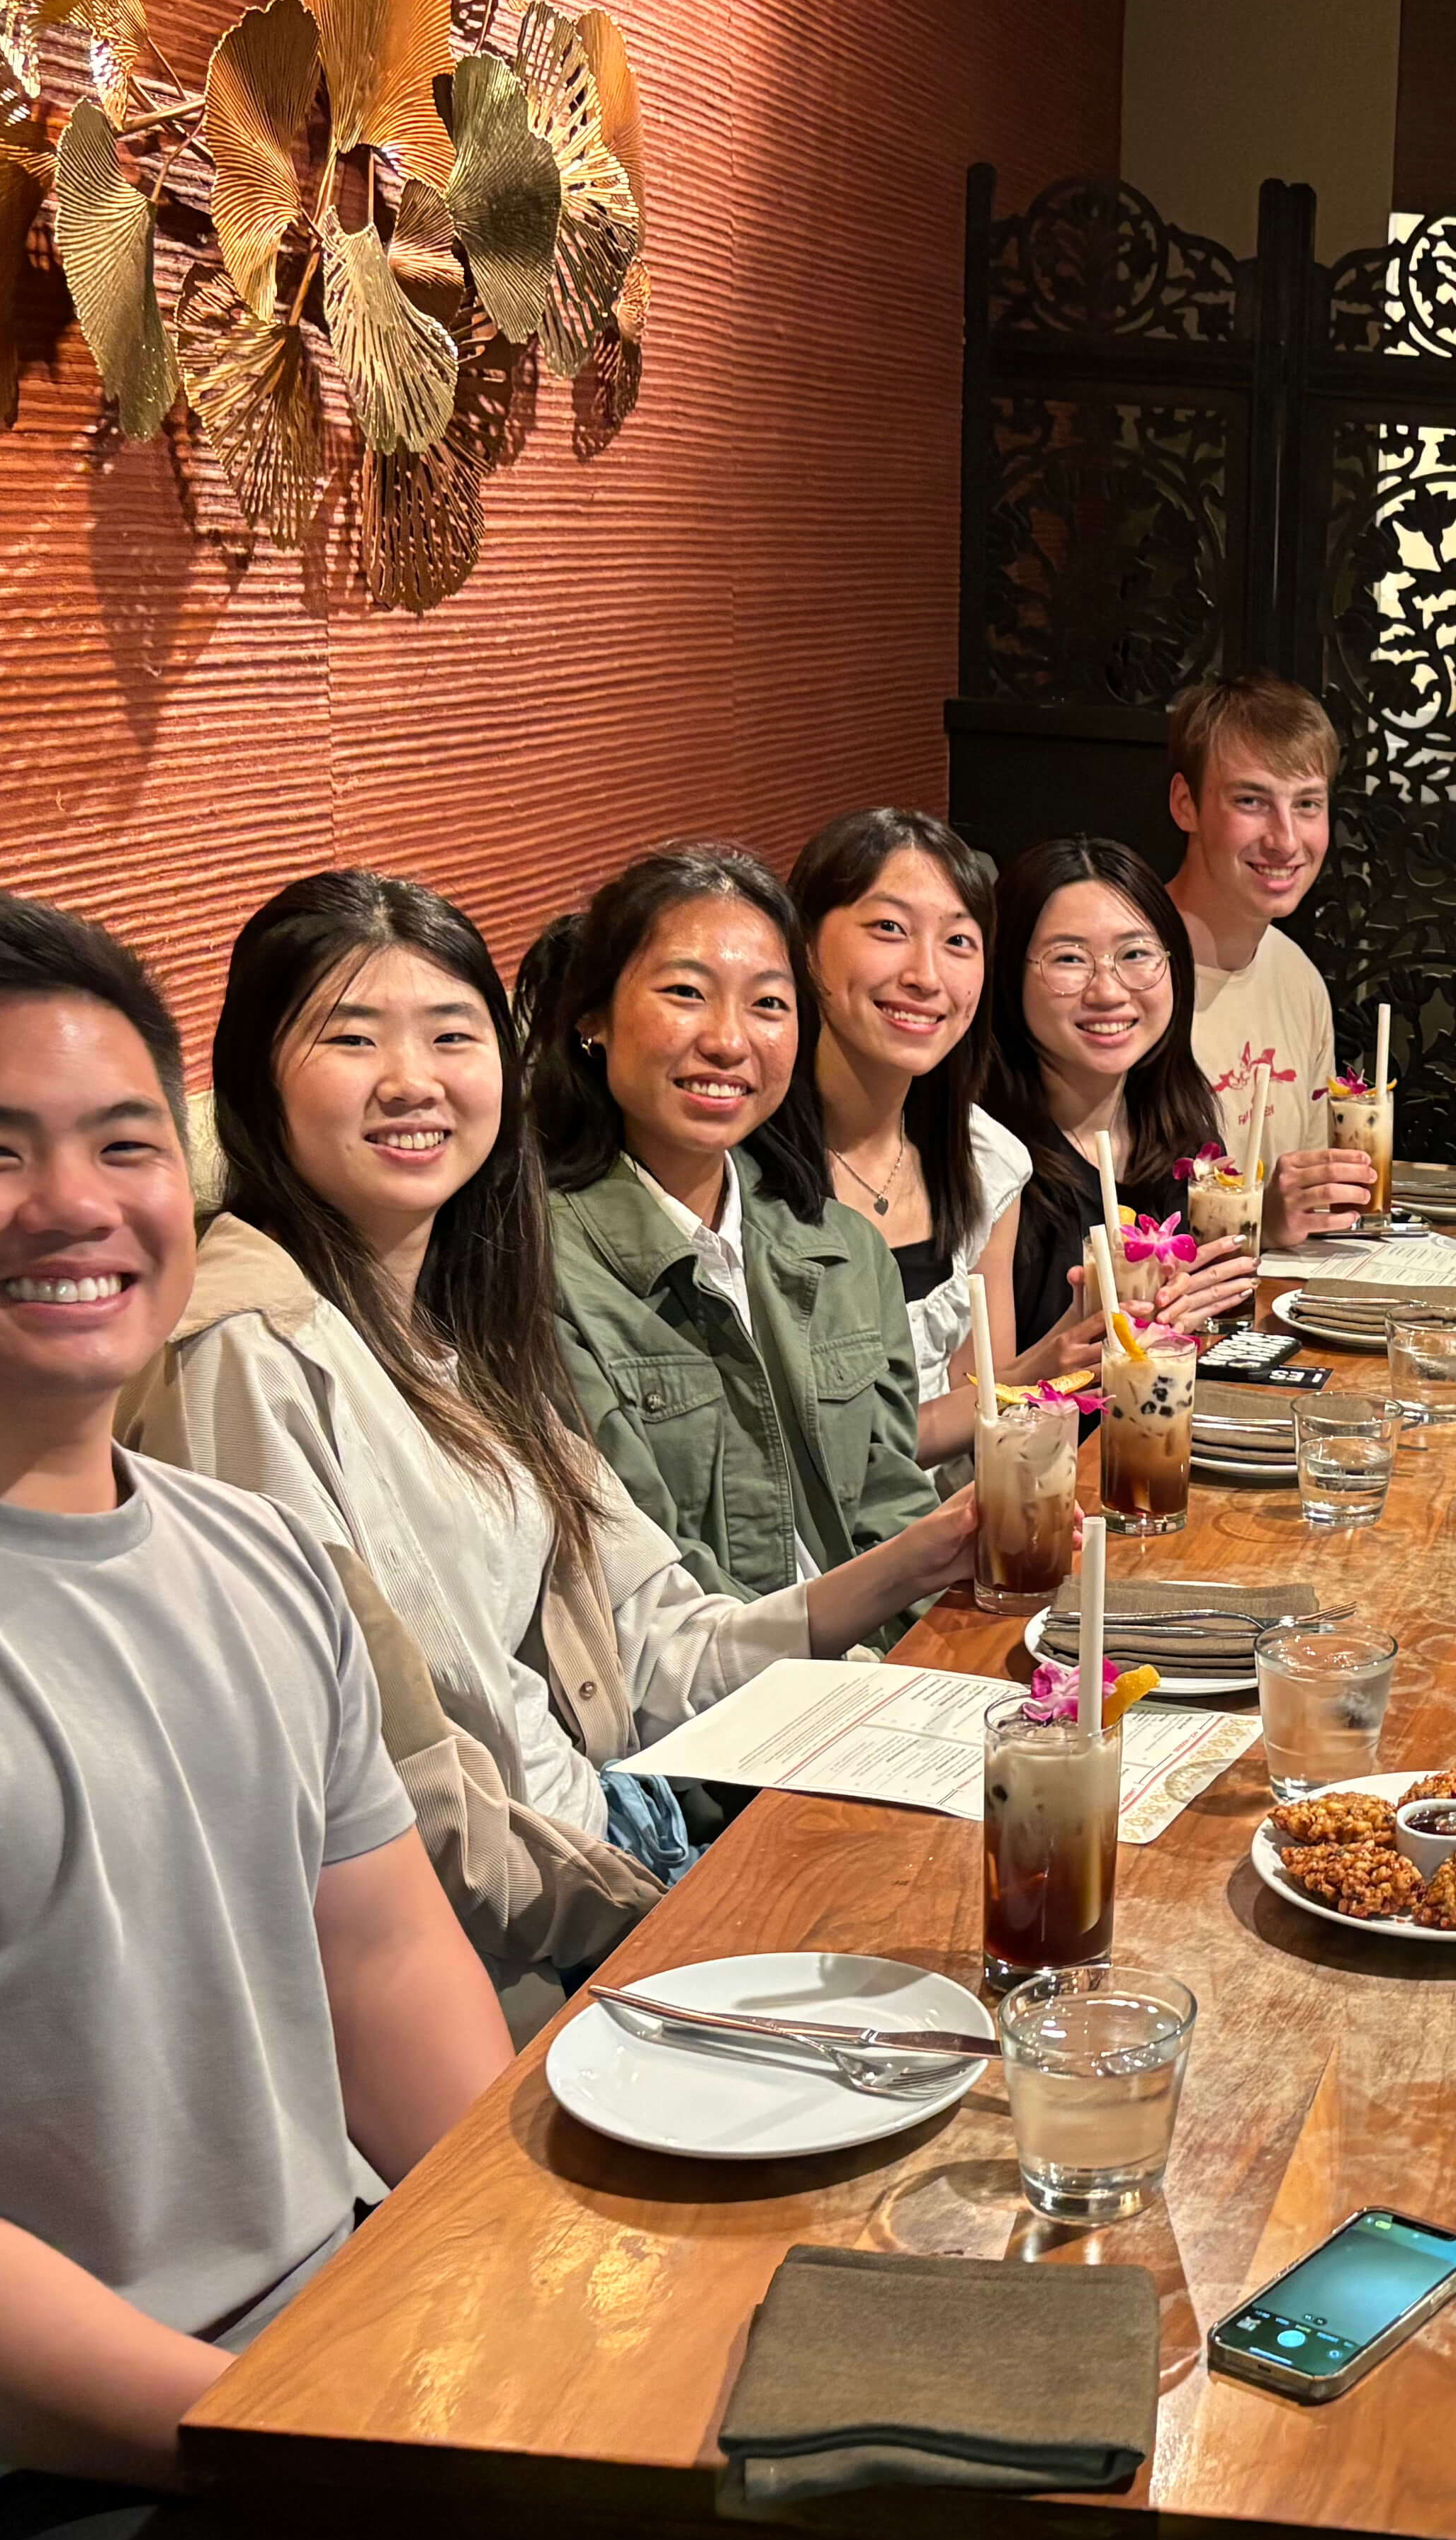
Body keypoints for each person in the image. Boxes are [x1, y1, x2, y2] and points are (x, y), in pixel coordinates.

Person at [0, 894, 905, 2540]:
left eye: (121, 1141)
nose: (77, 1203)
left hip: (302, 2348)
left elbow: (400, 1999)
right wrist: (309, 2446)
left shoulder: (249, 1560)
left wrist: (589, 2335)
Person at [128, 873, 976, 2023]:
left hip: (622, 1841)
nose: (411, 1080)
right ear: (254, 1074)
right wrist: (666, 1918)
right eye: (352, 1037)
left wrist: (930, 1555)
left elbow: (655, 1636)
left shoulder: (465, 1308)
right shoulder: (251, 1350)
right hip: (508, 1952)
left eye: (450, 1034)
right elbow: (373, 1794)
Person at [529, 847, 949, 1607]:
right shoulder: (539, 1272)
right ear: (593, 1019)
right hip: (712, 1673)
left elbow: (891, 1506)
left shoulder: (848, 1252)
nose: (729, 1041)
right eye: (686, 993)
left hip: (884, 1660)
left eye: (768, 1005)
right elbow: (650, 1575)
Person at [788, 807, 1033, 1467]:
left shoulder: (986, 1163)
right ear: (803, 943)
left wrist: (1078, 1339)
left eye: (959, 941)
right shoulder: (736, 1168)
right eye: (890, 929)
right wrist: (1045, 1369)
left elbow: (977, 1409)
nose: (926, 975)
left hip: (949, 1521)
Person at [979, 836, 1262, 1383]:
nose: (1107, 991)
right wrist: (1066, 1351)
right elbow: (983, 1404)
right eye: (1069, 959)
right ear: (1007, 972)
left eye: (1135, 955)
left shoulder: (1179, 1127)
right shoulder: (986, 1157)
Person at [1161, 670, 1377, 1249]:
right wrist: (1259, 1220)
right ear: (1185, 804)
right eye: (1251, 801)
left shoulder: (1296, 976)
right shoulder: (1127, 977)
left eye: (1307, 804)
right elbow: (1100, 1219)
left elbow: (1308, 1201)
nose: (1285, 839)